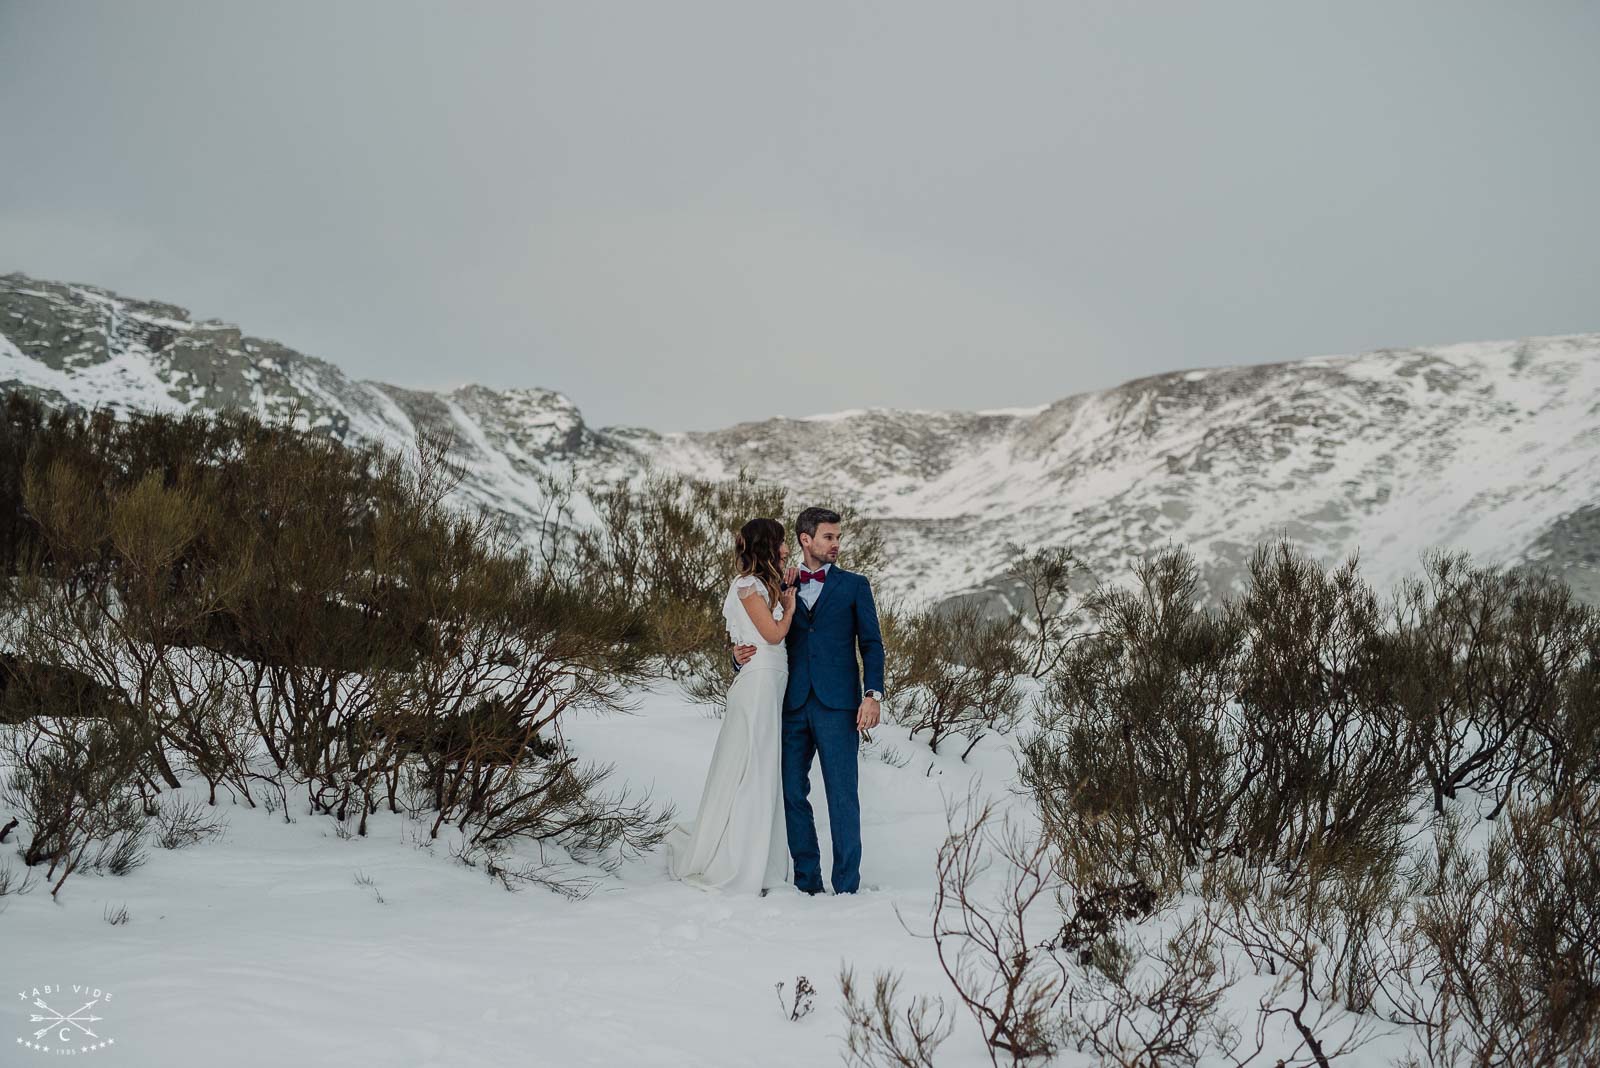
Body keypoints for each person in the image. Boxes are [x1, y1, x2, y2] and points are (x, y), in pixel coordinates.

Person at [732, 506, 884, 895]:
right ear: (805, 539)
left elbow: (871, 644)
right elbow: (749, 628)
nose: (836, 544)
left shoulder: (855, 585)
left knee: (842, 795)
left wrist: (873, 695)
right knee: (791, 792)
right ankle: (806, 881)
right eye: (828, 537)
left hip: (838, 706)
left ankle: (847, 885)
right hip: (791, 704)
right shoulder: (775, 582)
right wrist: (735, 658)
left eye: (837, 537)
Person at [665, 517, 798, 894]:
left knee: (761, 766)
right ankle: (739, 860)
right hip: (758, 683)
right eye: (782, 542)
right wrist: (787, 609)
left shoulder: (766, 585)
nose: (786, 549)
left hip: (770, 680)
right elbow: (772, 635)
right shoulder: (746, 585)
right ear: (767, 546)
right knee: (752, 768)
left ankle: (757, 855)